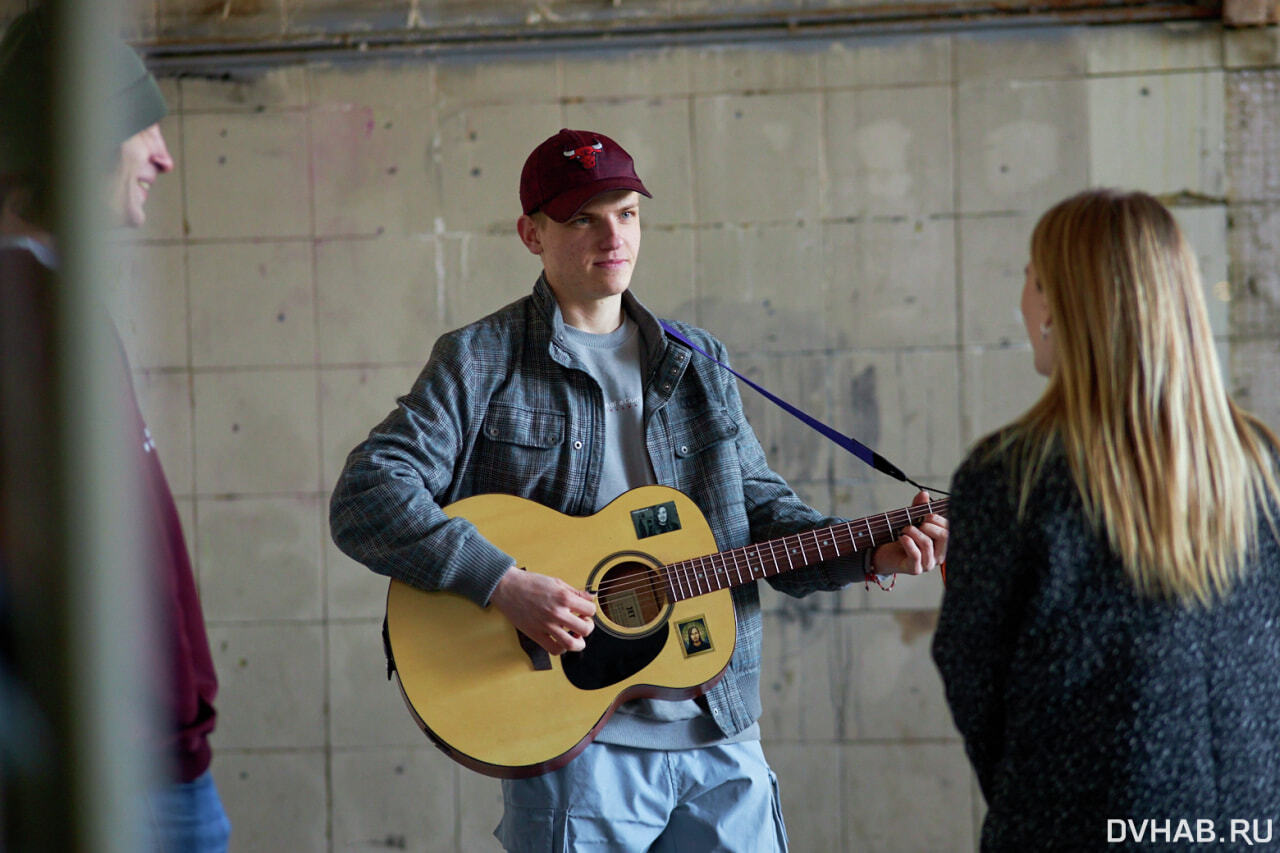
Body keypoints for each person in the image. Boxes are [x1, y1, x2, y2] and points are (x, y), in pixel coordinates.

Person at [330, 127, 948, 851]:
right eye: (583, 217)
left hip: (721, 729)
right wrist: (501, 582)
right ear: (531, 233)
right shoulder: (479, 360)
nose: (612, 234)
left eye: (626, 212)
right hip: (575, 745)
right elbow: (368, 493)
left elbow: (763, 521)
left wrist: (874, 552)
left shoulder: (700, 359)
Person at [932, 189, 1280, 850]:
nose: (1024, 299)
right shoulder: (1260, 463)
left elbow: (973, 674)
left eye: (1033, 278)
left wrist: (1040, 797)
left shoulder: (1012, 475)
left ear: (1065, 302)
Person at [0, 8, 230, 851]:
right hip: (119, 782)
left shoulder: (61, 305)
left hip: (157, 764)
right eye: (143, 131)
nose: (164, 155)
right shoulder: (22, 319)